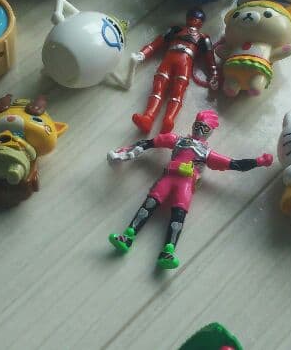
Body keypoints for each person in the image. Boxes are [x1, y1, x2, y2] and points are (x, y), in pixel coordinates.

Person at [107, 110, 273, 269]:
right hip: (168, 177)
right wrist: (127, 152)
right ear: (193, 125)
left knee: (178, 216)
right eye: (197, 125)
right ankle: (127, 236)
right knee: (149, 204)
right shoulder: (178, 140)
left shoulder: (207, 153)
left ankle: (168, 252)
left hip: (185, 184)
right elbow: (150, 142)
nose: (199, 130)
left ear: (210, 132)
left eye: (205, 128)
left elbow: (234, 164)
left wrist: (258, 161)